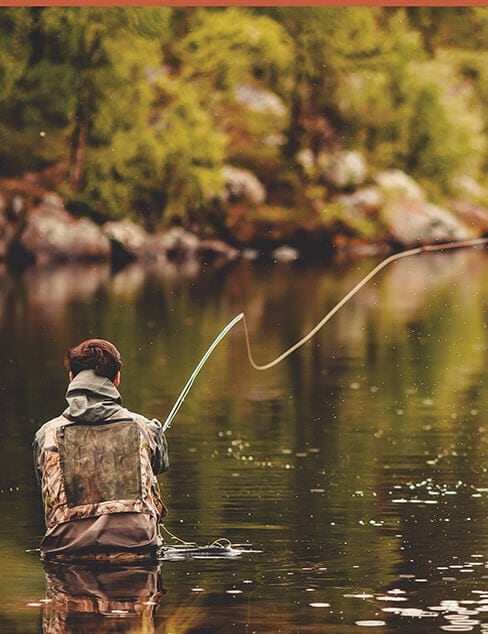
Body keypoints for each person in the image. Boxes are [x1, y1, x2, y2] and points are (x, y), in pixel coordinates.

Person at [33, 339, 169, 561]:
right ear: (116, 380)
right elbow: (160, 466)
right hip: (139, 552)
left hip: (64, 556)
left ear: (71, 378)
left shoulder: (45, 435)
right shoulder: (147, 428)